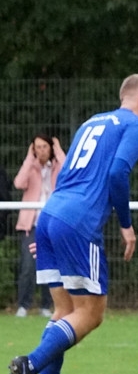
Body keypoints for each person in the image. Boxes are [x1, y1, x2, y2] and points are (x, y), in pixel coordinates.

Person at [8, 75, 138, 374]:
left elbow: (65, 177)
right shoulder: (136, 125)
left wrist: (52, 229)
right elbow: (118, 173)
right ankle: (29, 364)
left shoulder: (92, 122)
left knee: (64, 311)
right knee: (91, 313)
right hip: (78, 222)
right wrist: (126, 225)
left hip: (52, 215)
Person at [13, 134, 65, 318]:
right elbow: (19, 183)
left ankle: (46, 305)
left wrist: (58, 150)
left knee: (51, 266)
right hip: (32, 225)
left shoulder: (58, 167)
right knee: (28, 266)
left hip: (52, 225)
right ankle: (23, 306)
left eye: (44, 146)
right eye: (37, 147)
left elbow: (69, 172)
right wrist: (29, 159)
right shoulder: (31, 167)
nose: (41, 150)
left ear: (50, 148)